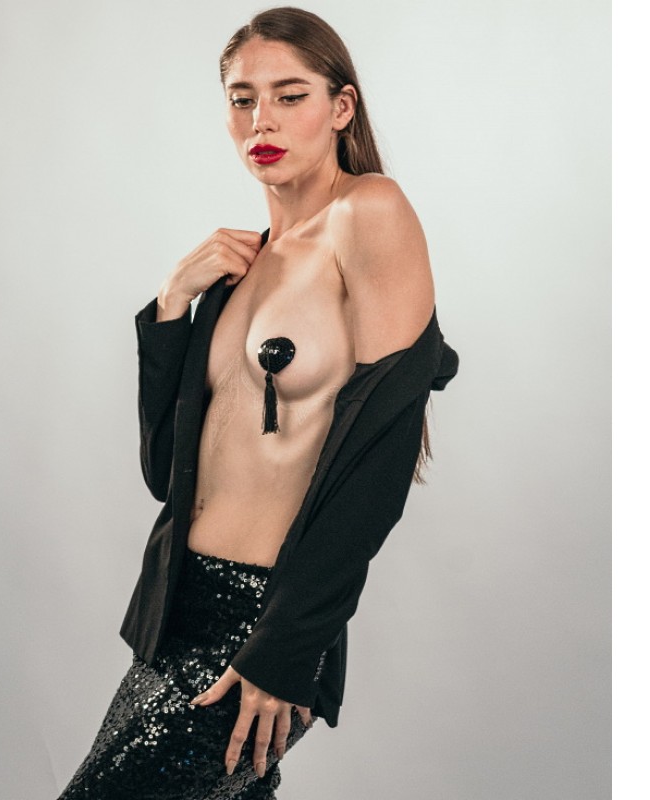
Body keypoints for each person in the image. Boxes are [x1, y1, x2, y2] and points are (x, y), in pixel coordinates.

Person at [57, 6, 459, 799]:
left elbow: (380, 456)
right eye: (242, 99)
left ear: (341, 108)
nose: (260, 120)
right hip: (177, 607)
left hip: (263, 619)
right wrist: (172, 305)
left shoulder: (368, 213)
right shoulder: (240, 270)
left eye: (289, 95)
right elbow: (165, 473)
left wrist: (286, 648)